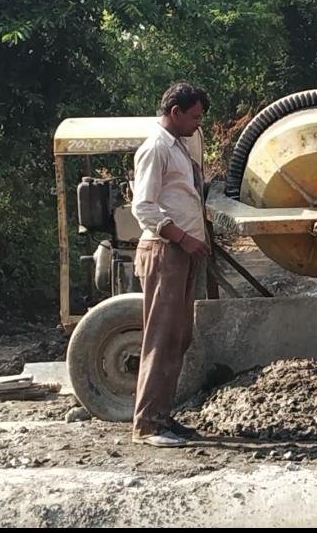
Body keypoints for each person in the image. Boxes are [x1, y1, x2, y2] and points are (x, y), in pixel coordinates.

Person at [130, 82, 211, 447]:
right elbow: (143, 207)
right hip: (165, 250)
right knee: (161, 338)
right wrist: (182, 237)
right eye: (194, 117)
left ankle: (162, 415)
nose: (198, 124)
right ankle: (147, 425)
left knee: (178, 337)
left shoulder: (178, 147)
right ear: (175, 112)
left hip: (182, 251)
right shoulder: (156, 148)